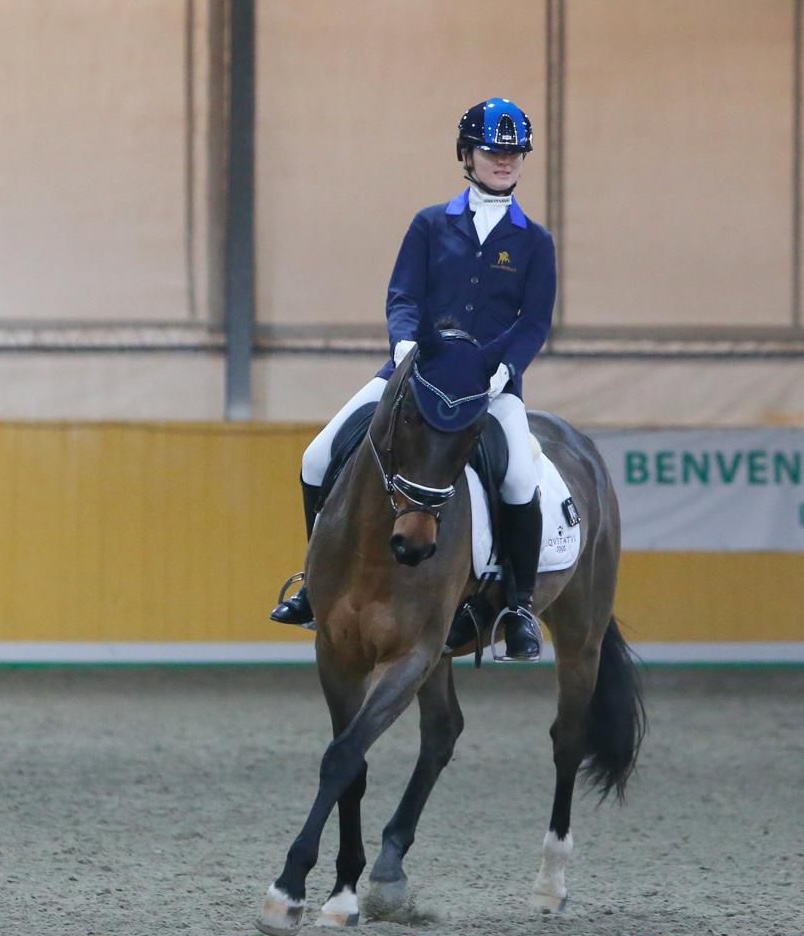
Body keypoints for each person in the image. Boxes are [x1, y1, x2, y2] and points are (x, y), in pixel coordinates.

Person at [271, 97, 556, 662]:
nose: (504, 161)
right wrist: (404, 343)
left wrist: (507, 367)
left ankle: (518, 606)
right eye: (492, 151)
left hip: (488, 384)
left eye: (513, 153)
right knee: (315, 456)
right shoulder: (430, 224)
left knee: (521, 478)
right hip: (414, 370)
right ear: (467, 155)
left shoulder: (535, 241)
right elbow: (404, 295)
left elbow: (536, 321)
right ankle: (315, 581)